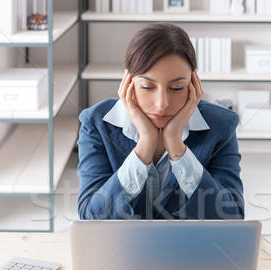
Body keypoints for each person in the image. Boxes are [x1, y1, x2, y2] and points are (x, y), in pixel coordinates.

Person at [77, 22, 244, 219]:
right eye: (147, 86)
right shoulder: (96, 123)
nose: (162, 104)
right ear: (128, 82)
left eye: (177, 88)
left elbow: (232, 215)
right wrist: (145, 143)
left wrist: (176, 145)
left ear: (193, 83)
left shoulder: (222, 125)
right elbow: (91, 216)